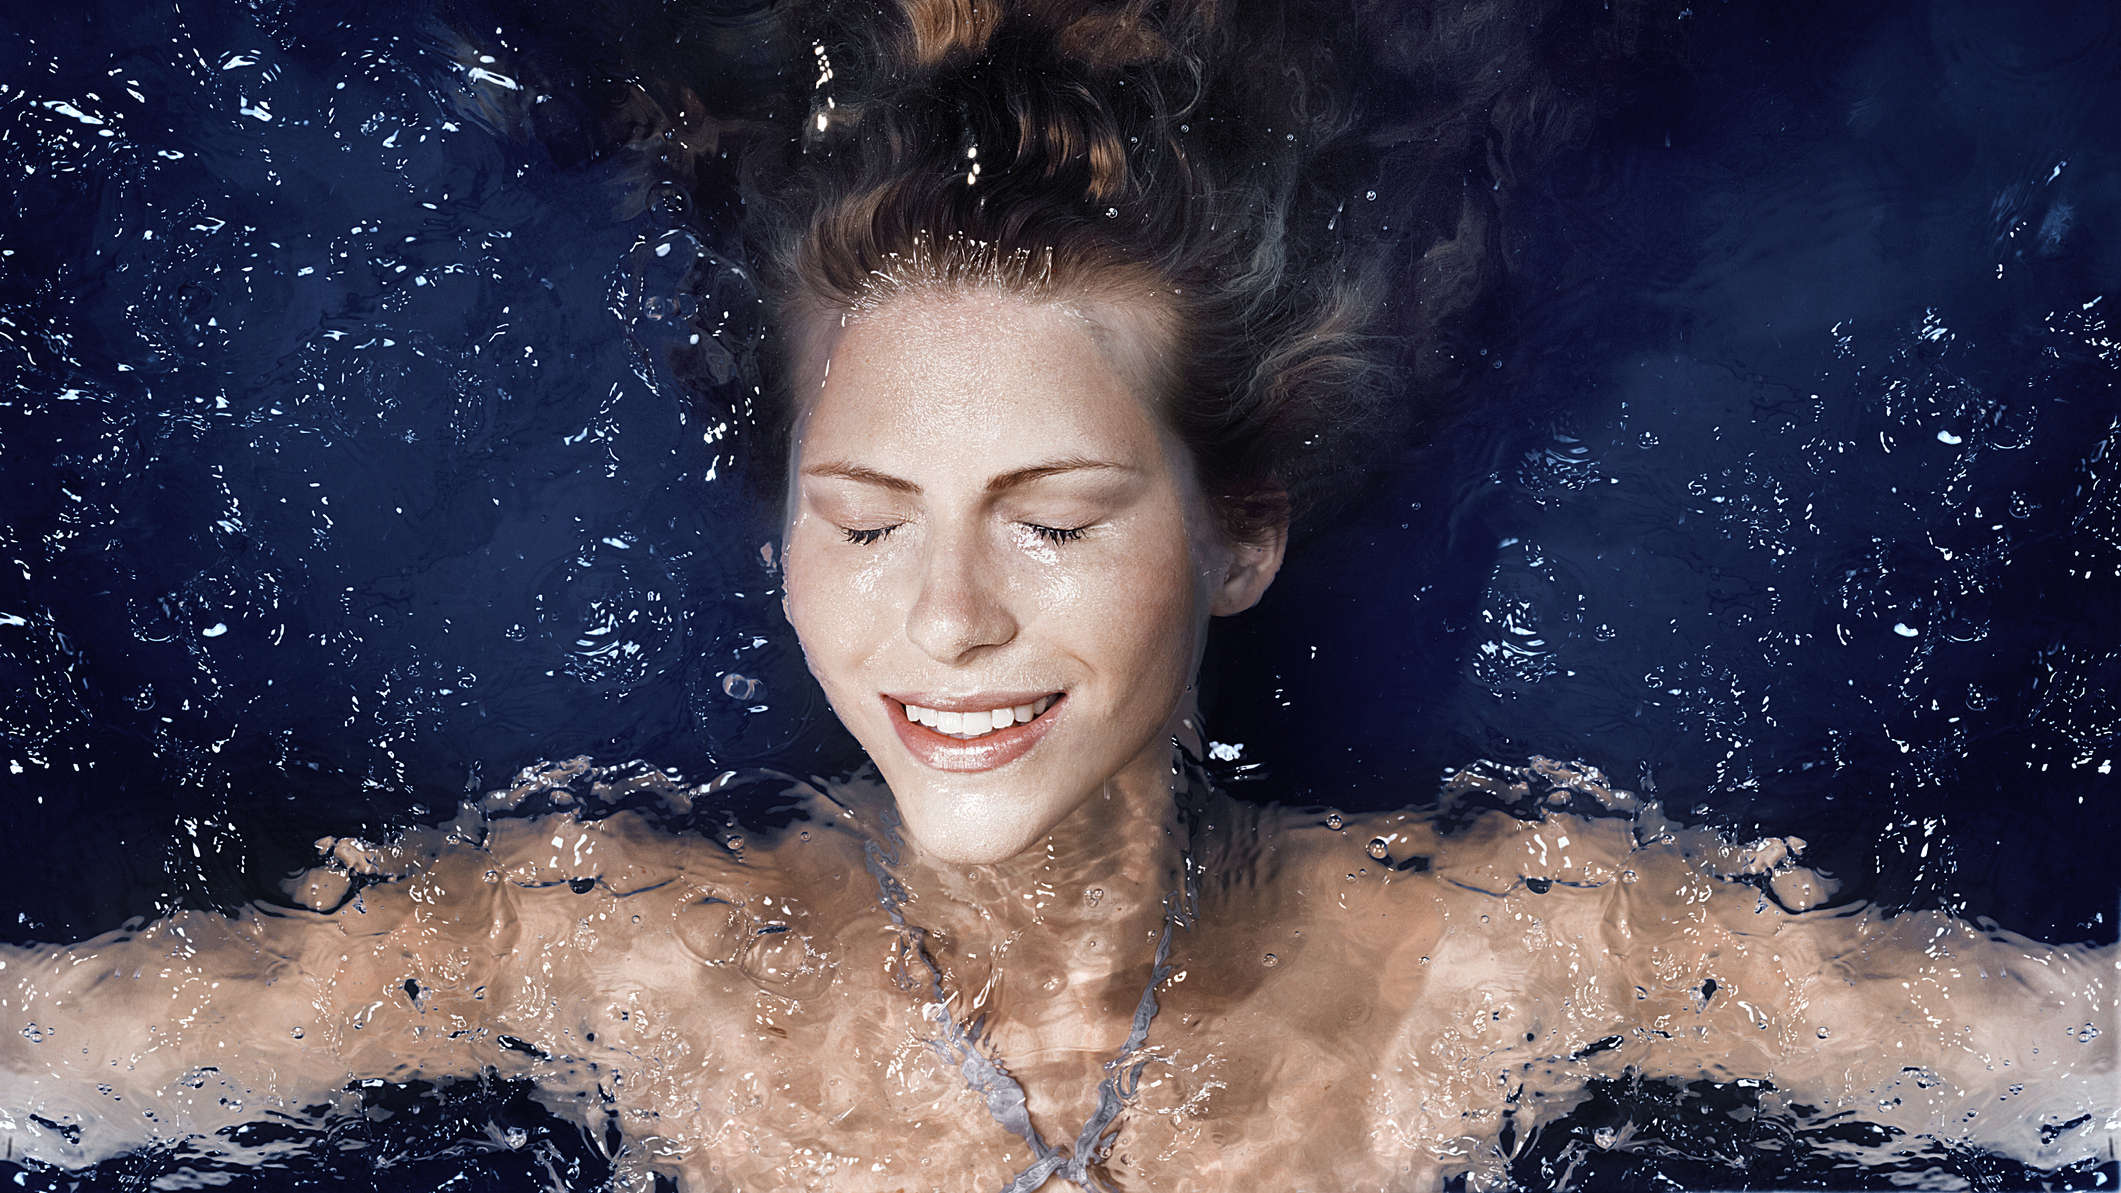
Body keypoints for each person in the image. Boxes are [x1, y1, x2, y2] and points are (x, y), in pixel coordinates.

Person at [0, 0, 2112, 1189]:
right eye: (862, 516)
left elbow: (2045, 1063)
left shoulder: (1484, 962)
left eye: (1055, 517)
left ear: (1239, 530)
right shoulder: (620, 959)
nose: (941, 623)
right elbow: (67, 1057)